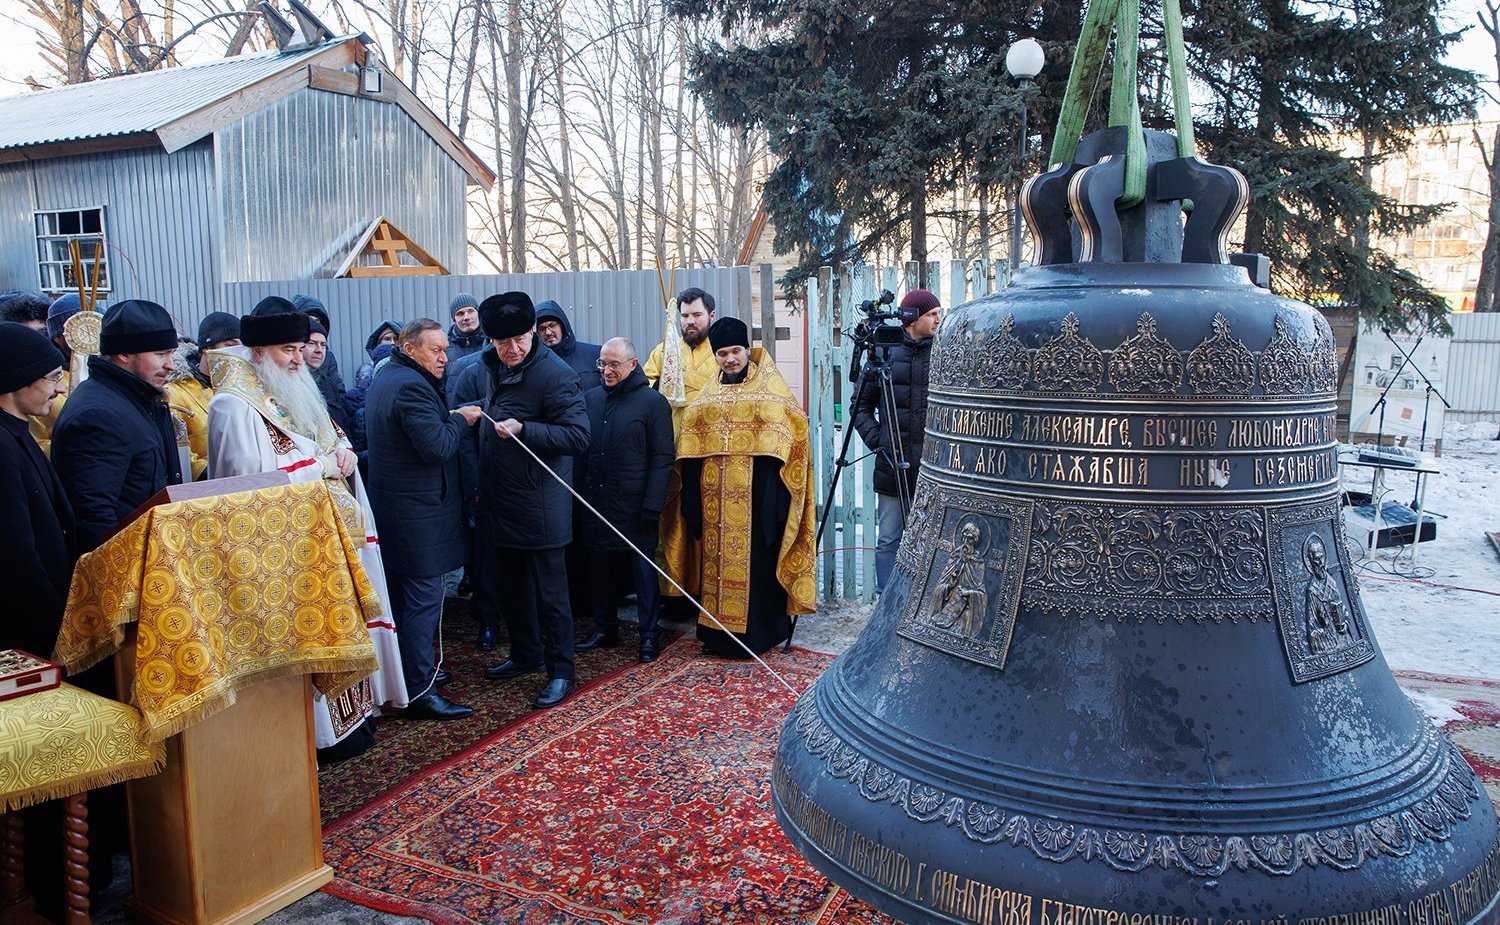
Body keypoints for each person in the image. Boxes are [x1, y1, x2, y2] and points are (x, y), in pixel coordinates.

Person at [206, 297, 407, 756]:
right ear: (258, 352)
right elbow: (249, 485)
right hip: (284, 549)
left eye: (301, 349)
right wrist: (321, 467)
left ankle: (352, 723)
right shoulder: (234, 405)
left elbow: (329, 435)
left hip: (327, 536)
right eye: (288, 350)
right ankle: (320, 737)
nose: (299, 359)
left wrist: (344, 454)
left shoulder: (292, 386)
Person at [661, 316, 817, 656]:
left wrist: (776, 507)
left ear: (747, 350)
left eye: (735, 351)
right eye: (722, 354)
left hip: (759, 504)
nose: (730, 359)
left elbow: (794, 438)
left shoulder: (771, 393)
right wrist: (692, 505)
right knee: (714, 570)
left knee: (758, 571)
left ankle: (758, 638)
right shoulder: (706, 400)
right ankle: (716, 637)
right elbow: (689, 451)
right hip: (713, 506)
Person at [472, 292, 590, 709]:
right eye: (503, 342)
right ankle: (526, 653)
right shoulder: (491, 366)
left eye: (521, 339)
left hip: (541, 504)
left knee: (551, 595)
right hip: (502, 501)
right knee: (513, 588)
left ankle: (561, 671)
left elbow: (578, 436)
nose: (514, 349)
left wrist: (525, 429)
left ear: (533, 333)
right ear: (490, 341)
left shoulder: (555, 374)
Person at [0, 322, 79, 924]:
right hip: (26, 635)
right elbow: (17, 557)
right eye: (50, 378)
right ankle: (44, 892)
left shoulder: (17, 434)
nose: (56, 389)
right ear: (16, 381)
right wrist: (58, 633)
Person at [365, 318, 484, 719]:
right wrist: (461, 419)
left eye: (445, 350)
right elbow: (437, 447)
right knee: (423, 600)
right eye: (435, 350)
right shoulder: (411, 387)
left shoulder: (388, 377)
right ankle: (419, 690)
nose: (444, 358)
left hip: (396, 510)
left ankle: (411, 672)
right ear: (410, 348)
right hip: (417, 515)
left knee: (404, 599)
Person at [52, 299, 184, 552]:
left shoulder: (136, 398)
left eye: (171, 353)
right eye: (160, 354)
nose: (171, 365)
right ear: (124, 354)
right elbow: (93, 518)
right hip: (126, 561)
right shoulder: (98, 415)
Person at [575, 338, 674, 662]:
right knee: (598, 569)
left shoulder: (653, 403)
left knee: (643, 572)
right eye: (602, 363)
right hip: (596, 501)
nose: (606, 370)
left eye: (614, 364)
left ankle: (649, 635)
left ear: (633, 364)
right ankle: (605, 627)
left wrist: (652, 505)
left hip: (636, 505)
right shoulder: (591, 398)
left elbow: (662, 458)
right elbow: (581, 450)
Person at [850, 288, 940, 592]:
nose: (938, 319)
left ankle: (922, 603)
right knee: (889, 538)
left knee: (931, 540)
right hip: (891, 465)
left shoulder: (943, 354)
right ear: (912, 319)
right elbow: (860, 407)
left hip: (932, 468)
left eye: (938, 313)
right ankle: (886, 601)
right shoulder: (884, 353)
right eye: (931, 314)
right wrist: (881, 441)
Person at [165, 311, 241, 480]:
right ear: (207, 349)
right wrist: (208, 473)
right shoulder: (175, 392)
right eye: (230, 345)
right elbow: (176, 450)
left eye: (241, 348)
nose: (237, 353)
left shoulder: (242, 391)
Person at [642, 287, 720, 434]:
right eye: (684, 316)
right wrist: (663, 385)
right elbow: (644, 384)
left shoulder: (722, 351)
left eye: (697, 315)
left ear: (711, 316)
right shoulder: (665, 350)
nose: (690, 321)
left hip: (714, 431)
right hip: (674, 432)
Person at [27, 293, 88, 458]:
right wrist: (81, 446)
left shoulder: (113, 370)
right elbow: (35, 445)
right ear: (59, 337)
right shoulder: (40, 380)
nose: (91, 339)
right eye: (82, 332)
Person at [292, 294, 348, 430]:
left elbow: (340, 403)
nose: (318, 350)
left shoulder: (328, 362)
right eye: (306, 320)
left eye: (317, 321)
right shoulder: (285, 375)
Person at [535, 300, 602, 392]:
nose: (548, 332)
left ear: (562, 326)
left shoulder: (594, 354)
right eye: (542, 328)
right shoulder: (534, 365)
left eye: (552, 325)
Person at [446, 293, 485, 364]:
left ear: (478, 314)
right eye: (460, 314)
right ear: (454, 319)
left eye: (470, 311)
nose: (466, 317)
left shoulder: (493, 343)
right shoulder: (446, 350)